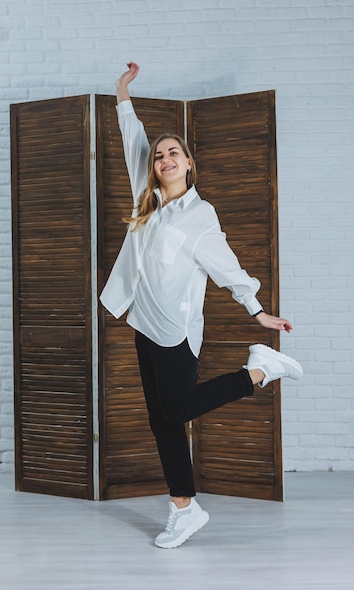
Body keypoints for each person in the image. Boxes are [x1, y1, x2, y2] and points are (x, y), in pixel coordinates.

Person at [100, 62, 303, 549]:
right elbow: (133, 142)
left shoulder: (200, 215)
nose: (164, 158)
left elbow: (227, 267)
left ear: (190, 163)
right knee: (162, 420)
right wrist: (122, 93)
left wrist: (256, 311)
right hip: (143, 323)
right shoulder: (146, 200)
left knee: (177, 409)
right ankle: (184, 509)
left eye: (174, 153)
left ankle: (257, 371)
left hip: (174, 328)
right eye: (160, 155)